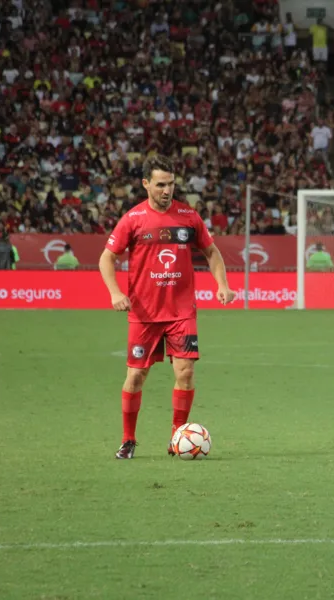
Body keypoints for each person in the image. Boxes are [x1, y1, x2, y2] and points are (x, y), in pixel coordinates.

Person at [99, 156, 237, 459]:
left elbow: (211, 252)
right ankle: (128, 439)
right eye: (160, 184)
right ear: (146, 184)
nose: (166, 190)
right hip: (144, 314)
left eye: (171, 184)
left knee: (185, 372)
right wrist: (114, 293)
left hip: (181, 311)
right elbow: (107, 257)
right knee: (136, 376)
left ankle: (178, 435)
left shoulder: (188, 216)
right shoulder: (133, 219)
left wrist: (222, 285)